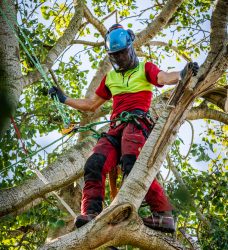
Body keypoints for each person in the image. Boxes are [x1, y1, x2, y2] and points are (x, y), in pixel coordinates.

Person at [49, 24, 199, 233]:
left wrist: (183, 73)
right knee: (94, 163)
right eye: (115, 56)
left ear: (131, 48)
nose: (119, 59)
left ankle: (164, 215)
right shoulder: (111, 78)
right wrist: (64, 99)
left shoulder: (144, 68)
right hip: (115, 129)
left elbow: (163, 77)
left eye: (122, 54)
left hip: (137, 124)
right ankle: (91, 214)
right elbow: (91, 105)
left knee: (132, 161)